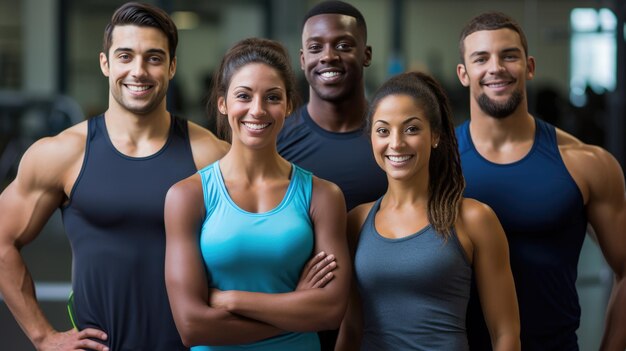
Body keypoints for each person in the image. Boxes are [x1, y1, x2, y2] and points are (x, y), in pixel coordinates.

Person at [0, 2, 230, 350]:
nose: (138, 71)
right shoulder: (63, 154)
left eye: (153, 58)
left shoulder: (209, 154)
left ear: (172, 67)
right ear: (105, 63)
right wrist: (43, 336)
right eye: (125, 56)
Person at [163, 37, 350, 350]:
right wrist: (296, 306)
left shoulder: (323, 196)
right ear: (223, 103)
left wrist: (233, 300)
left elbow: (330, 312)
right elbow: (192, 326)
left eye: (272, 97)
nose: (258, 110)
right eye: (244, 96)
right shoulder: (187, 196)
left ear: (289, 105)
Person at [455, 11, 626, 351]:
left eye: (509, 56)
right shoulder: (435, 164)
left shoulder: (587, 164)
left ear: (529, 66)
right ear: (464, 73)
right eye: (481, 58)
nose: (496, 68)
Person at [334, 71, 520, 350]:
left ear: (435, 135)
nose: (396, 143)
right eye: (383, 130)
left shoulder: (473, 219)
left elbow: (506, 334)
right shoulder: (356, 222)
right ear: (371, 138)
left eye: (411, 129)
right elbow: (350, 328)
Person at [277, 0, 387, 212]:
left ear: (366, 54)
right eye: (315, 48)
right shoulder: (277, 141)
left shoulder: (393, 140)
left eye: (343, 46)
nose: (328, 56)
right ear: (302, 59)